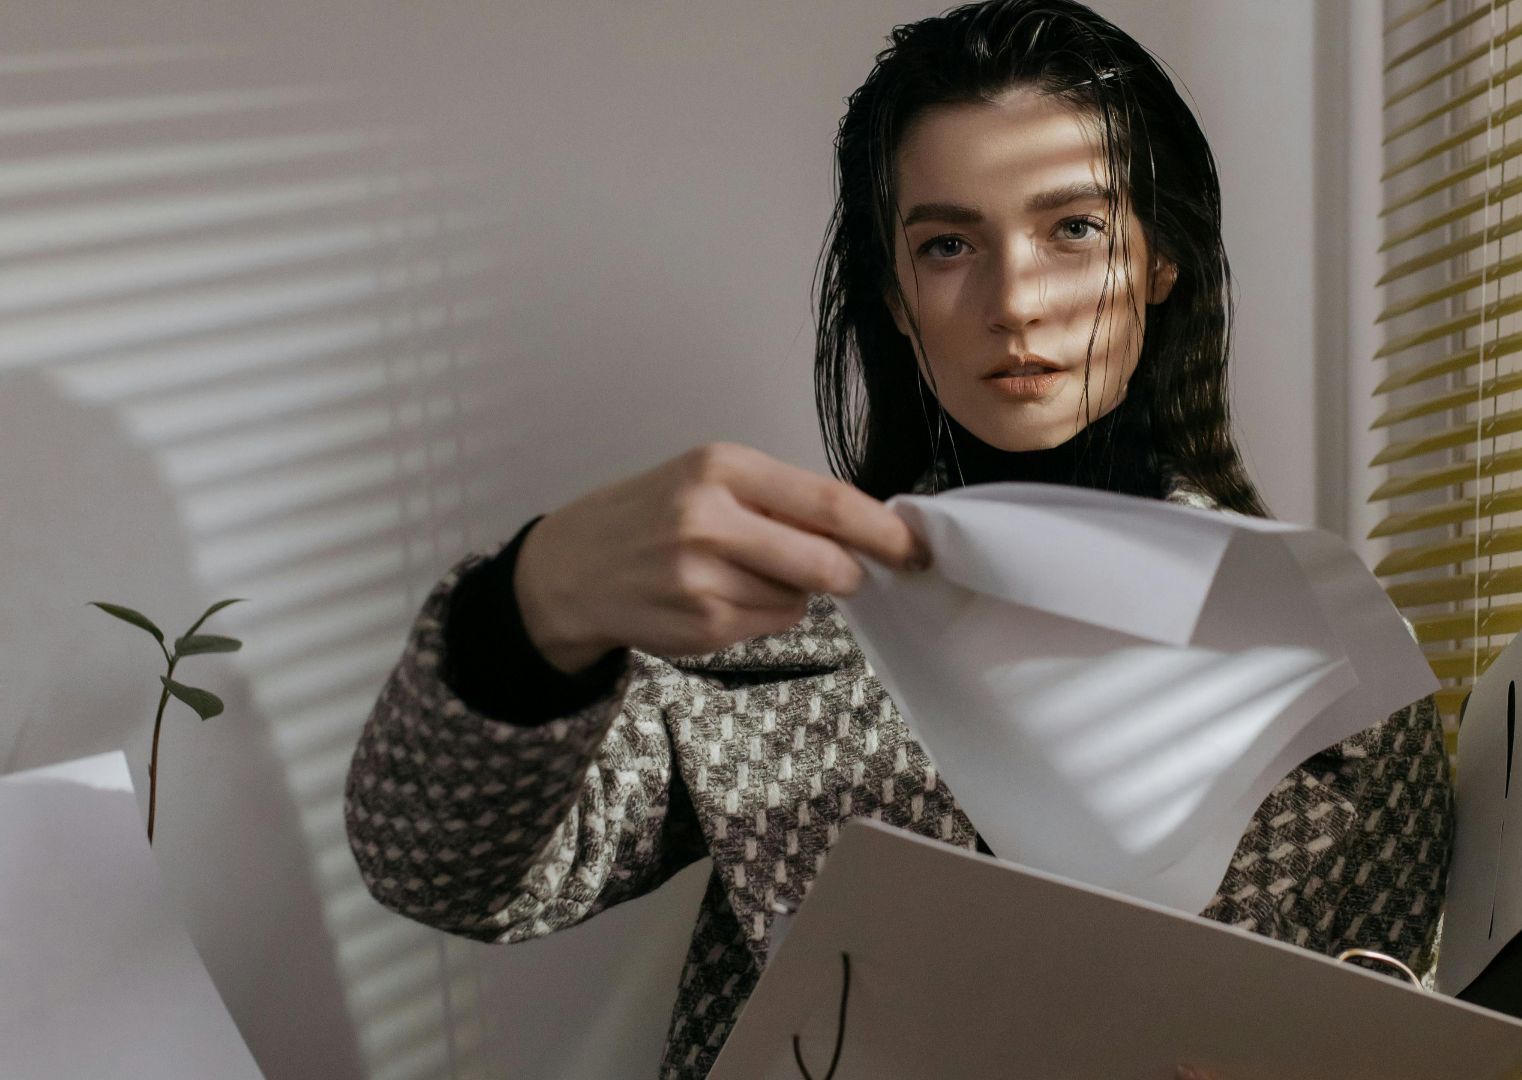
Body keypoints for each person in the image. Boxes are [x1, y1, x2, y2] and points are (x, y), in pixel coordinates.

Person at [343, 2, 1454, 1077]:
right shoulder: (765, 622)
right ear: (896, 288)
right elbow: (454, 877)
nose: (1016, 300)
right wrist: (526, 609)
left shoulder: (1336, 659)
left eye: (1075, 228)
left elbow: (1409, 1011)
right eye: (948, 243)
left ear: (1160, 259)